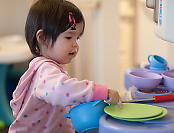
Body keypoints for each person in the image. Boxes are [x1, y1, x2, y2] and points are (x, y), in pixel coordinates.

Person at [8, 0, 121, 133]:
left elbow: (64, 97)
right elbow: (61, 90)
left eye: (77, 38)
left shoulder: (46, 68)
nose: (75, 44)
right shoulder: (45, 70)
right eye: (69, 37)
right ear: (43, 37)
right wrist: (101, 92)